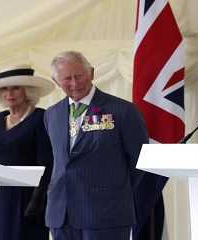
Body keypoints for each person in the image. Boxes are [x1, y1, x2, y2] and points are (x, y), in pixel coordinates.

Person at [44, 51, 148, 240]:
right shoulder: (51, 114)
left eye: (79, 76)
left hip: (106, 214)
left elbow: (140, 162)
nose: (75, 84)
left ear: (91, 73)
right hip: (61, 214)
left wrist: (113, 191)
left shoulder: (122, 110)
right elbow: (58, 160)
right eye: (67, 79)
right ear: (56, 81)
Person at [0, 65, 55, 240]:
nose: (9, 94)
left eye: (15, 88)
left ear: (28, 91)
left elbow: (48, 162)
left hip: (28, 197)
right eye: (4, 89)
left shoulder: (41, 118)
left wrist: (38, 200)